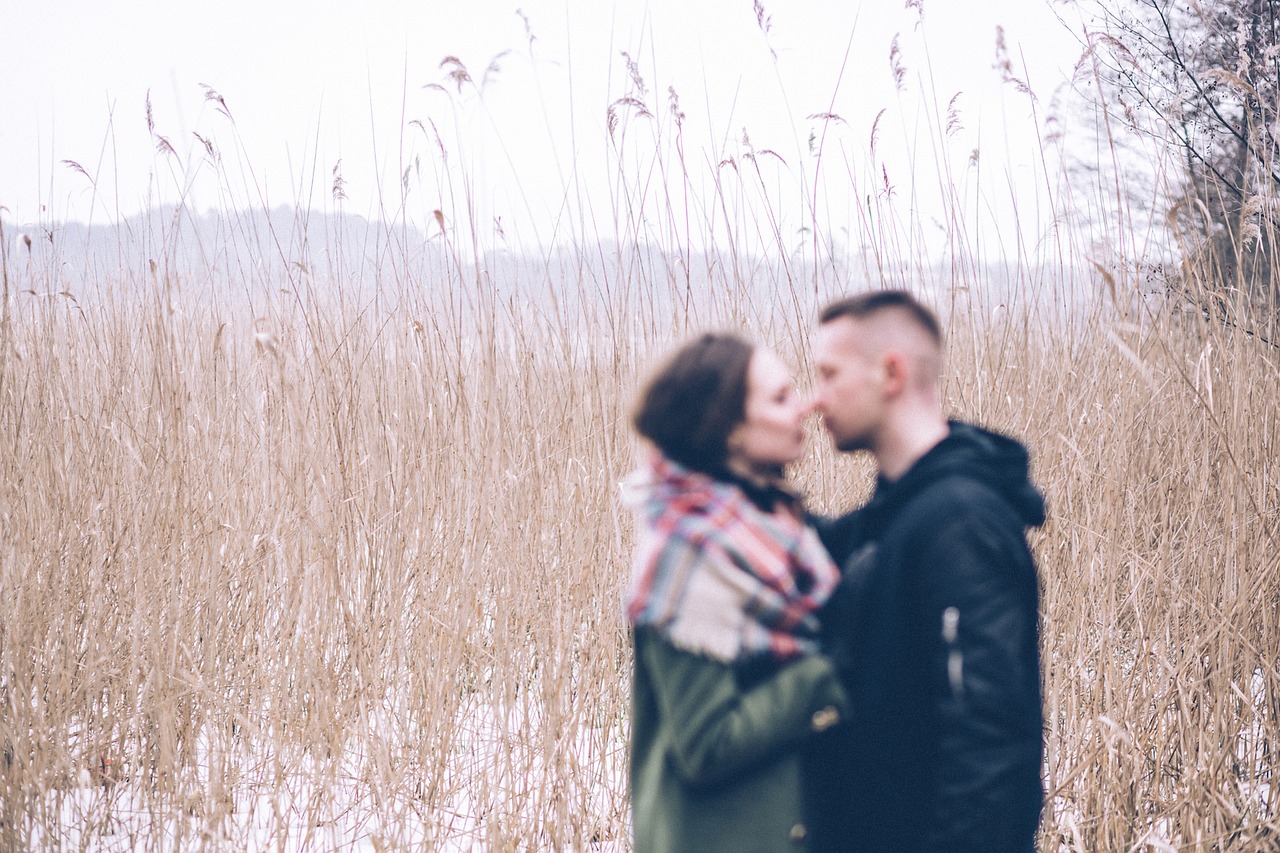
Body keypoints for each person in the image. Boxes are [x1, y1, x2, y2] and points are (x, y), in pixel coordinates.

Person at [804, 291, 1046, 853]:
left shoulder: (958, 523)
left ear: (891, 373)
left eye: (829, 375)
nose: (815, 400)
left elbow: (991, 753)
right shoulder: (898, 513)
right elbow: (808, 549)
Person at [623, 332, 849, 853]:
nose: (807, 406)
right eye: (780, 398)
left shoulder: (772, 528)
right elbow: (707, 744)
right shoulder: (691, 557)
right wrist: (827, 674)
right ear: (729, 430)